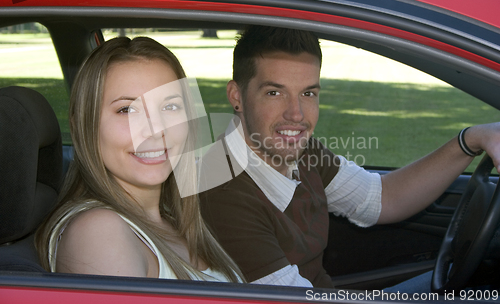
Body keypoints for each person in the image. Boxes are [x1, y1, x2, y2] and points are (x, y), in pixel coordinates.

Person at [199, 25, 500, 288]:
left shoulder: (299, 150)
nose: (296, 115)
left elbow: (381, 197)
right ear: (236, 96)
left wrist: (470, 140)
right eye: (274, 93)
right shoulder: (222, 193)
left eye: (308, 93)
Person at [35, 37, 243, 282]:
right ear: (82, 125)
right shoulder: (99, 233)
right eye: (127, 109)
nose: (156, 129)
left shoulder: (174, 219)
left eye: (170, 106)